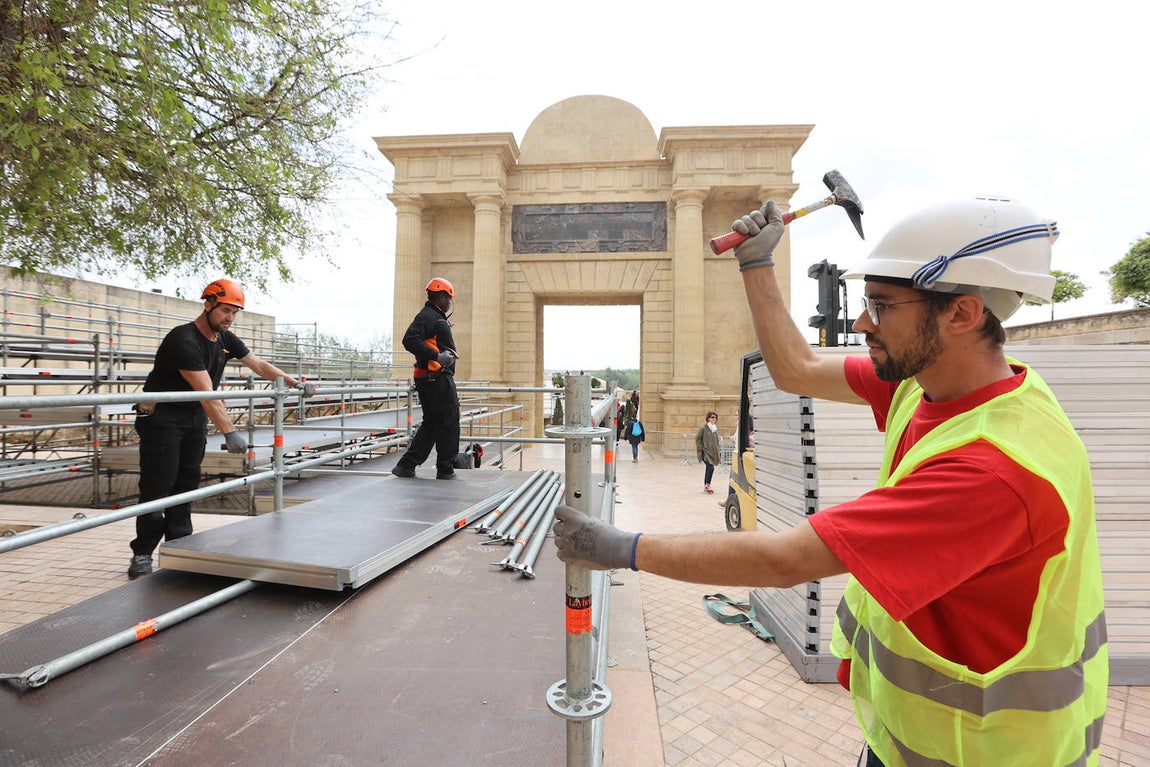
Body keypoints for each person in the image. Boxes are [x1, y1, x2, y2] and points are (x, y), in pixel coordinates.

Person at [553, 196, 1107, 766]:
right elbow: (799, 369)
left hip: (986, 752)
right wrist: (757, 265)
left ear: (962, 313)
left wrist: (620, 547)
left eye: (883, 306)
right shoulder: (930, 383)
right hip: (918, 736)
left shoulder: (992, 471)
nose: (863, 322)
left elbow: (784, 560)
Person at [129, 278, 316, 579]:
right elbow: (208, 393)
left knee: (186, 482)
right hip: (163, 420)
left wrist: (294, 382)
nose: (229, 317)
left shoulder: (224, 339)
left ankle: (179, 547)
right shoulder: (184, 340)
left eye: (234, 312)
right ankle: (142, 553)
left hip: (192, 419)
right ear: (208, 305)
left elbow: (258, 364)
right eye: (225, 310)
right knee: (157, 486)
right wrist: (229, 431)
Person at [391, 277, 461, 480]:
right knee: (449, 421)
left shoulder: (433, 316)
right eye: (448, 299)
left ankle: (406, 465)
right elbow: (409, 339)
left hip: (431, 378)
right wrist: (436, 356)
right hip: (436, 378)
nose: (449, 303)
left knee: (432, 423)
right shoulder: (429, 316)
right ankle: (445, 469)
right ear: (440, 297)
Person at [695, 411, 721, 494]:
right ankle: (708, 485)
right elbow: (698, 439)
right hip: (705, 452)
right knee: (710, 467)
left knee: (709, 468)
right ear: (708, 418)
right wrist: (701, 449)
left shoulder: (715, 429)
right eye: (712, 417)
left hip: (712, 453)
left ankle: (706, 485)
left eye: (715, 417)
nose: (714, 419)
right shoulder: (704, 428)